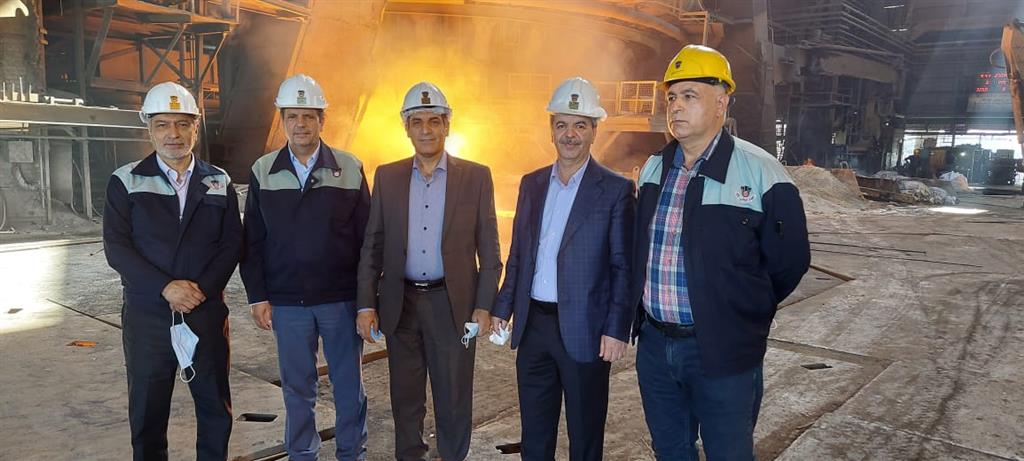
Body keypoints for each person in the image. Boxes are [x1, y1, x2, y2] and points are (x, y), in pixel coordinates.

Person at [629, 45, 811, 460]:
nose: (676, 107)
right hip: (656, 346)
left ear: (721, 102)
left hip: (723, 349)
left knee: (728, 451)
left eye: (689, 96)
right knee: (670, 450)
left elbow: (790, 262)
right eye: (672, 97)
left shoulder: (760, 172)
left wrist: (744, 312)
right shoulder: (655, 168)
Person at [356, 81, 502, 461]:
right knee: (405, 398)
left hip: (451, 306)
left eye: (434, 121)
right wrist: (366, 304)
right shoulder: (387, 177)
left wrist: (484, 305)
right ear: (406, 127)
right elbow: (372, 245)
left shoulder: (475, 177)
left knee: (453, 397)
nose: (426, 130)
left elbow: (489, 249)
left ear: (447, 125)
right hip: (400, 304)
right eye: (417, 122)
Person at [491, 77, 635, 461]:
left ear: (594, 132)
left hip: (586, 330)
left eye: (580, 125)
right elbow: (519, 253)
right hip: (534, 327)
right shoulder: (532, 184)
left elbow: (623, 266)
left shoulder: (616, 190)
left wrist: (616, 328)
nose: (570, 134)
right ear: (551, 130)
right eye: (562, 125)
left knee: (584, 435)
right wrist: (503, 307)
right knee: (535, 435)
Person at [103, 81, 241, 461]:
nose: (173, 134)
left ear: (196, 127)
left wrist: (201, 291)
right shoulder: (126, 181)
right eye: (162, 124)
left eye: (182, 124)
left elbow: (232, 244)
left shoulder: (218, 181)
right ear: (149, 129)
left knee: (214, 408)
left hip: (205, 313)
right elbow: (117, 247)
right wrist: (166, 287)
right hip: (148, 316)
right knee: (147, 411)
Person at [239, 74, 371, 460]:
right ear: (282, 120)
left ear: (322, 120)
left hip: (340, 301)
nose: (301, 124)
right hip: (287, 303)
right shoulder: (263, 170)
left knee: (348, 386)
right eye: (293, 116)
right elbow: (253, 241)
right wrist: (258, 295)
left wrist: (366, 301)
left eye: (309, 116)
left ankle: (351, 454)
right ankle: (301, 455)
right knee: (298, 389)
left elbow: (368, 242)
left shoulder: (349, 168)